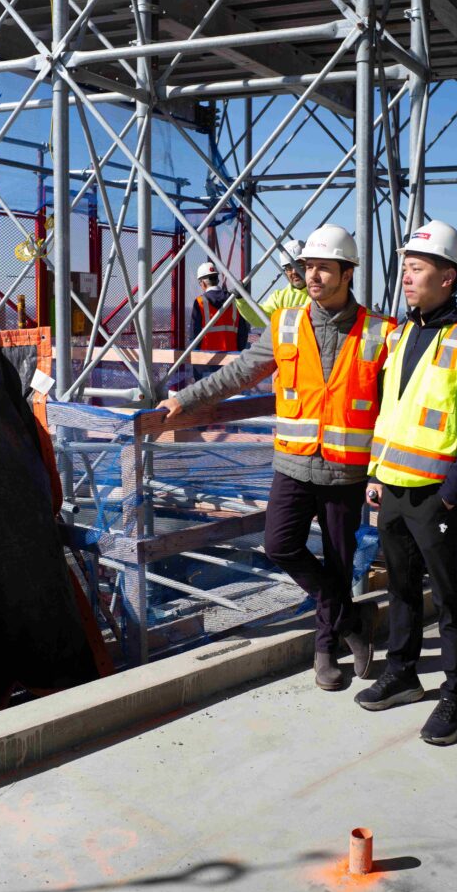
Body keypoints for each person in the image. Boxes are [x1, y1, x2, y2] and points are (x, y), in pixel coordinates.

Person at [160, 224, 396, 690]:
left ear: (347, 273)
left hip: (346, 469)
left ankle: (325, 649)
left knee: (339, 560)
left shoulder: (380, 331)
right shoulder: (286, 323)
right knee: (280, 545)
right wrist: (185, 400)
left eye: (323, 268)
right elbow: (241, 372)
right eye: (308, 267)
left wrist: (383, 470)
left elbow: (393, 408)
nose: (312, 276)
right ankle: (350, 621)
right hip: (293, 463)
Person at [355, 220, 457, 745]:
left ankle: (455, 699)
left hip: (437, 496)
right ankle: (402, 675)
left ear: (448, 277)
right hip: (392, 487)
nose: (407, 278)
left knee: (449, 598)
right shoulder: (402, 334)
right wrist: (374, 472)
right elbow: (392, 413)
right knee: (399, 587)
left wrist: (447, 492)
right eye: (405, 269)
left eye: (416, 269)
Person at [191, 261, 250, 381]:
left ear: (202, 283)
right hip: (231, 362)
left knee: (208, 397)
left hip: (206, 362)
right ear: (217, 280)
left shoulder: (200, 302)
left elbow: (194, 337)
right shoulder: (234, 301)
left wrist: (196, 368)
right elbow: (243, 334)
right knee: (231, 398)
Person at [234, 239, 308, 328]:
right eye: (288, 268)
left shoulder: (321, 294)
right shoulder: (279, 297)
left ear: (309, 265)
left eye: (299, 265)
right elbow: (260, 318)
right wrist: (242, 300)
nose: (294, 271)